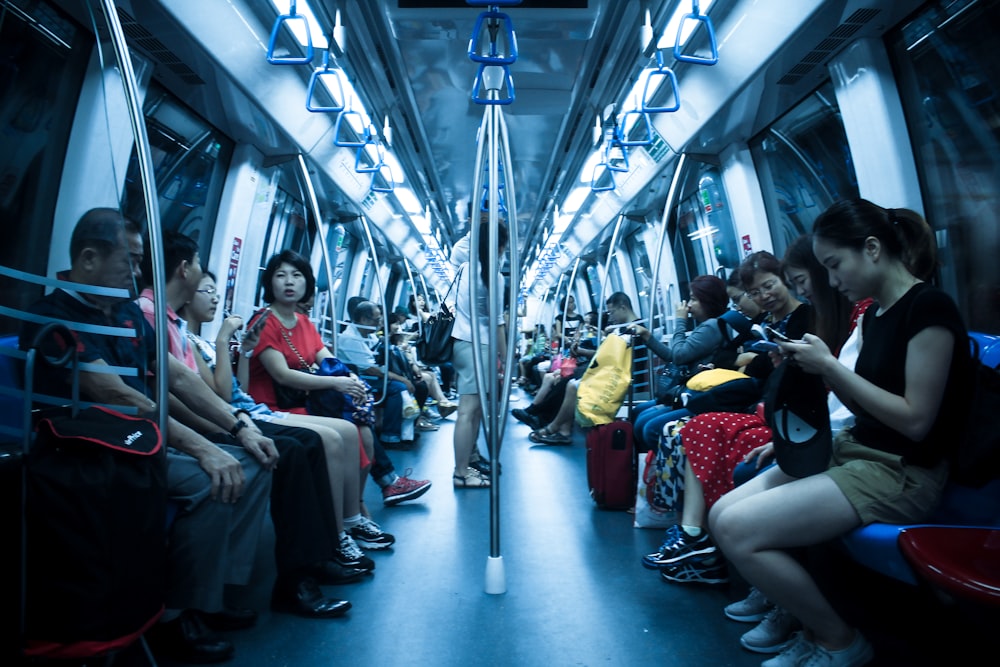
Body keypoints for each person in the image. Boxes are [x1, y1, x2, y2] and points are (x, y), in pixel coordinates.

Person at [709, 200, 971, 667]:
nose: (832, 281)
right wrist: (812, 373)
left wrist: (829, 367)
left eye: (835, 265)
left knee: (737, 529)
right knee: (723, 512)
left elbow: (915, 420)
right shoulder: (874, 315)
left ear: (871, 249)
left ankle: (837, 640)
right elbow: (860, 403)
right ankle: (810, 622)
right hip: (857, 450)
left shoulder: (929, 308)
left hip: (902, 470)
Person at [20, 209, 274, 663]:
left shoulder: (125, 313)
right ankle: (176, 616)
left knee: (255, 462)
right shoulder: (51, 317)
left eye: (140, 263)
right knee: (210, 483)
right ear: (90, 258)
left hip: (135, 440)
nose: (138, 274)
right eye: (131, 262)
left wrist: (238, 425)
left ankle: (210, 596)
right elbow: (119, 396)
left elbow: (176, 377)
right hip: (86, 450)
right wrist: (203, 448)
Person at [134, 231, 363, 618]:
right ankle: (296, 577)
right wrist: (234, 425)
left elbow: (217, 388)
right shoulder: (149, 317)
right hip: (201, 423)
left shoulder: (175, 326)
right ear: (185, 270)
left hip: (226, 414)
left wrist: (243, 357)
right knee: (292, 450)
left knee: (308, 444)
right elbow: (177, 393)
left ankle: (318, 553)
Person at [178, 271, 394, 562]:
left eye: (296, 277)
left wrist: (244, 351)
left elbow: (238, 387)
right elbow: (229, 394)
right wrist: (224, 340)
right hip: (252, 410)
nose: (216, 297)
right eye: (208, 291)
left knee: (353, 429)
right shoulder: (197, 341)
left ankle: (351, 517)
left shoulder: (301, 323)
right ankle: (336, 532)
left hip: (249, 405)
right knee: (332, 436)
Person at [245, 250, 432, 507]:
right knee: (348, 427)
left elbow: (330, 361)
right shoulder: (264, 322)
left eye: (296, 275)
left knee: (363, 427)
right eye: (281, 275)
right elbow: (282, 375)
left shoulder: (303, 323)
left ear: (307, 282)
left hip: (301, 399)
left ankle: (359, 502)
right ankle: (357, 505)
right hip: (271, 406)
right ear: (270, 283)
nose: (289, 282)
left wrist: (353, 380)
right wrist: (337, 382)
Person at [630, 275, 742, 451]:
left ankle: (663, 469)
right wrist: (647, 337)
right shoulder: (706, 325)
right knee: (639, 412)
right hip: (688, 391)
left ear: (708, 301)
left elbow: (679, 355)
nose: (688, 305)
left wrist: (680, 321)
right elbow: (673, 355)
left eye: (693, 299)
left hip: (700, 396)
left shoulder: (712, 326)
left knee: (648, 427)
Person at [528, 292, 642, 445]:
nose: (611, 317)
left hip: (617, 378)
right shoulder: (620, 329)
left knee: (572, 385)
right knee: (570, 383)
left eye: (612, 312)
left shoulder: (636, 330)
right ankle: (560, 429)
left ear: (623, 307)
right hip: (608, 371)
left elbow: (616, 360)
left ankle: (553, 426)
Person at [451, 219, 508, 487]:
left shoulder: (463, 268)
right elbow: (497, 323)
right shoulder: (494, 277)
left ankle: (466, 467)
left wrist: (482, 227)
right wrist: (507, 359)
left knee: (471, 412)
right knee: (469, 411)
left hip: (460, 342)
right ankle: (461, 472)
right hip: (480, 345)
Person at [338, 300, 414, 444]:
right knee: (399, 388)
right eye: (377, 319)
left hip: (369, 375)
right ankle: (389, 436)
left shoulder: (369, 335)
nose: (379, 323)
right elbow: (371, 370)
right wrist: (401, 379)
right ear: (364, 320)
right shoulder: (350, 338)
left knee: (407, 382)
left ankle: (403, 432)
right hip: (361, 378)